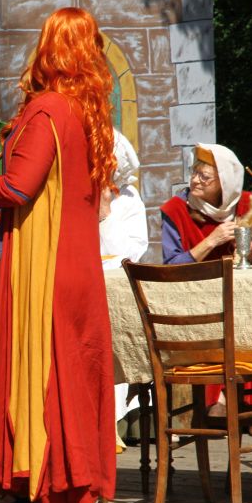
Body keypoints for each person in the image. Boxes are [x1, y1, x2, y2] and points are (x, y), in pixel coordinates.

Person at [0, 7, 117, 503]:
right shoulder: (87, 113)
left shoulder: (49, 110)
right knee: (53, 373)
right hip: (71, 264)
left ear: (50, 50)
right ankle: (30, 481)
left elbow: (17, 187)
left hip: (45, 268)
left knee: (50, 376)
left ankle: (72, 498)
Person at [160, 143, 252, 437]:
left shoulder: (248, 206)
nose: (195, 180)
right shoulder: (175, 210)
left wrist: (249, 246)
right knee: (222, 322)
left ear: (225, 183)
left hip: (240, 296)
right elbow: (171, 266)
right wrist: (212, 240)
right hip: (195, 300)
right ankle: (221, 400)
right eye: (194, 173)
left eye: (205, 177)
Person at [99, 131, 150, 447]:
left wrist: (105, 214)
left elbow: (128, 254)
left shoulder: (130, 201)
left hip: (117, 286)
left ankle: (116, 419)